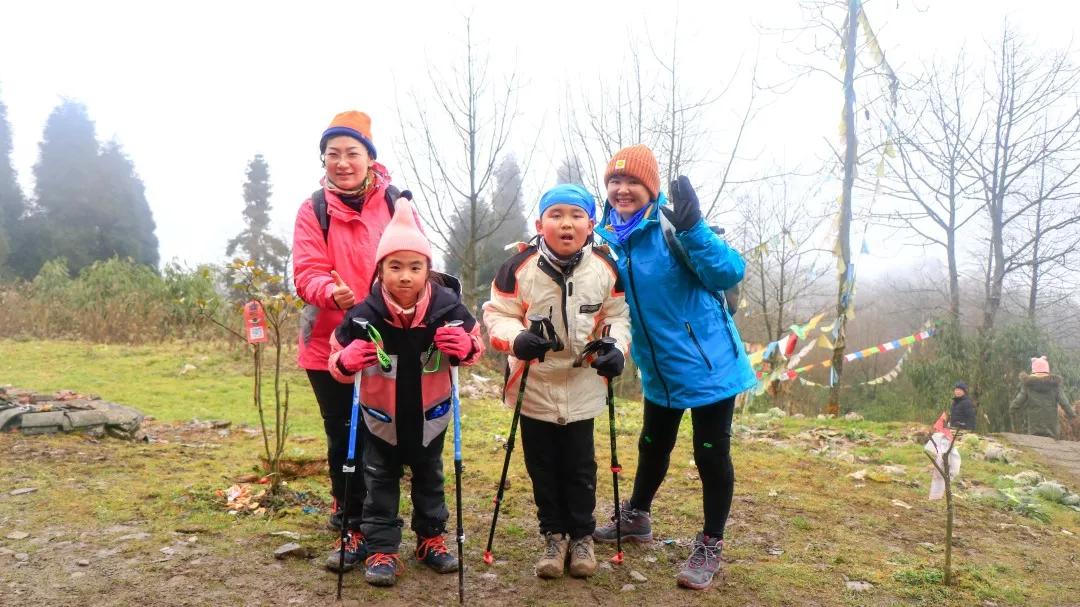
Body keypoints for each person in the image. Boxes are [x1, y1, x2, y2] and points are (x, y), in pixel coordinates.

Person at [590, 145, 756, 591]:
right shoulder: (606, 240)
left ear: (651, 189)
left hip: (710, 366)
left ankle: (710, 543)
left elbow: (729, 271)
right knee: (652, 444)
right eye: (615, 182)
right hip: (658, 369)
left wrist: (696, 229)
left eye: (633, 183)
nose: (622, 190)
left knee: (710, 454)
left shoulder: (673, 228)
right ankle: (638, 516)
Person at [329, 197, 484, 587]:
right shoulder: (363, 315)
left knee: (430, 477)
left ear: (428, 271)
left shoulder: (448, 309)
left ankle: (431, 540)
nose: (404, 276)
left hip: (431, 416)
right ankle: (383, 550)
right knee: (379, 482)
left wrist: (464, 348)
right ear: (380, 270)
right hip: (381, 418)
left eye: (415, 267)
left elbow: (474, 346)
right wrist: (347, 359)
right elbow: (336, 359)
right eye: (394, 266)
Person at [483, 184, 631, 580]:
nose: (566, 224)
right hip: (535, 386)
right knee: (542, 467)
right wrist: (516, 338)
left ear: (591, 224)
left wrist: (616, 346)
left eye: (576, 215)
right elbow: (497, 314)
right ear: (540, 223)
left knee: (581, 467)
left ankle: (582, 536)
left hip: (583, 385)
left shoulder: (605, 267)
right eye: (556, 215)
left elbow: (617, 314)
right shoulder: (518, 268)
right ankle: (554, 536)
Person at [292, 110, 404, 571]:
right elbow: (306, 271)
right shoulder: (313, 209)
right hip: (327, 345)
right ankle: (348, 515)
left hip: (386, 340)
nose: (342, 162)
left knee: (384, 433)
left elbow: (413, 260)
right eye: (332, 154)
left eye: (351, 153)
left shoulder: (396, 202)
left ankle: (380, 521)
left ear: (369, 158)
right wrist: (329, 292)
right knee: (343, 434)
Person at [1009, 356, 1075, 439]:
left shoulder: (1028, 386)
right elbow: (1064, 402)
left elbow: (1018, 402)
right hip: (1052, 430)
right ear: (1047, 371)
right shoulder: (1055, 386)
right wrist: (1072, 415)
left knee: (1036, 448)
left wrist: (1012, 410)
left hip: (1034, 428)